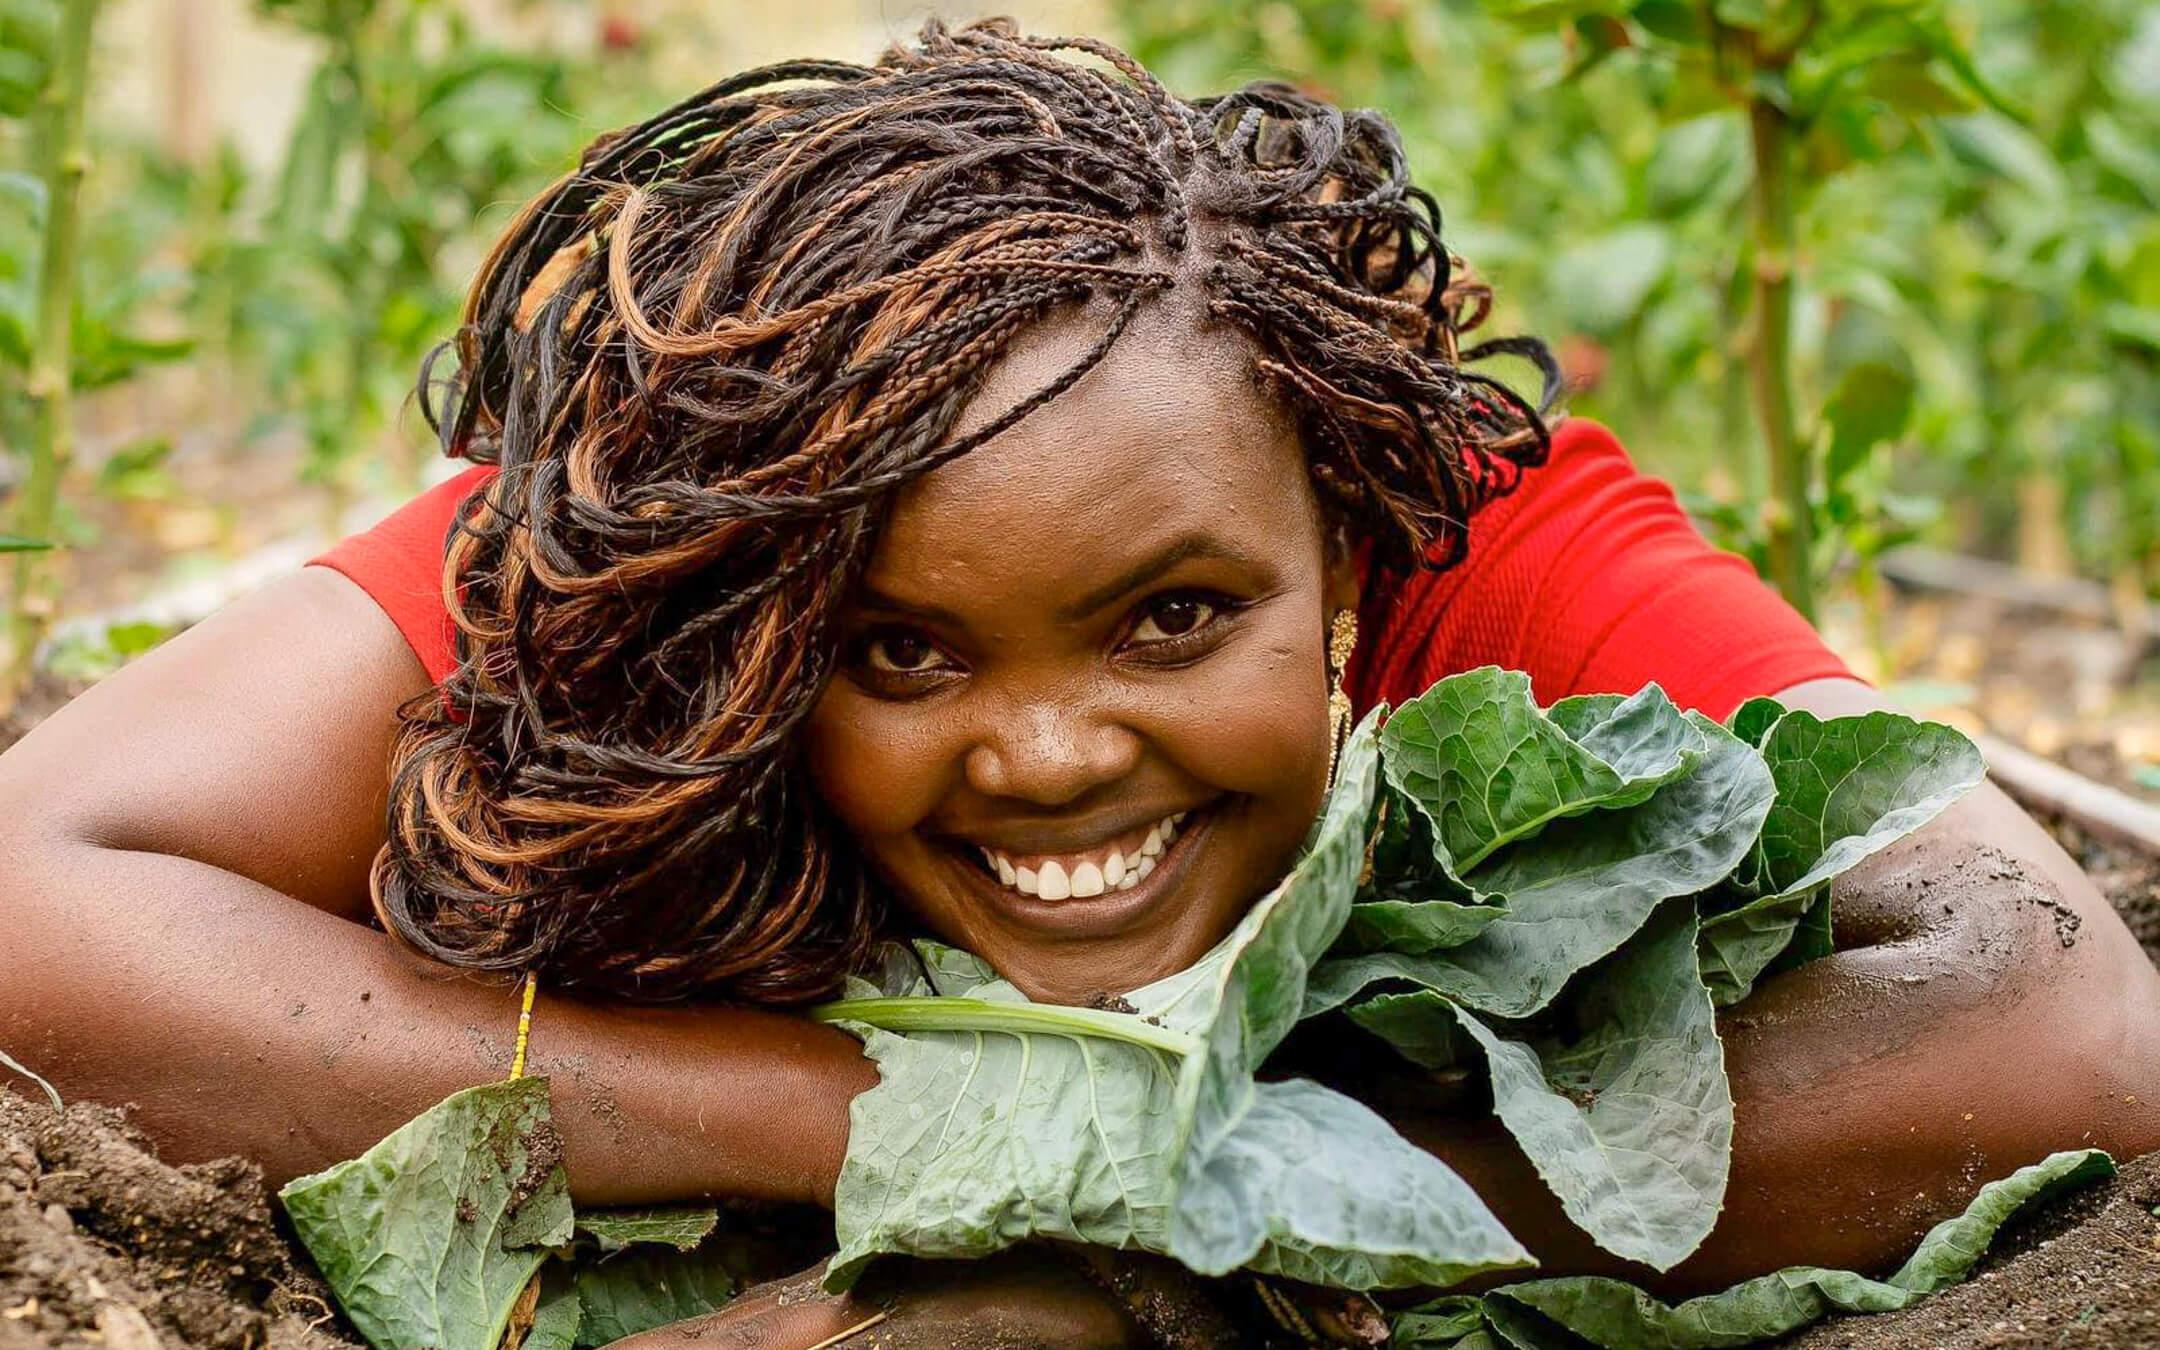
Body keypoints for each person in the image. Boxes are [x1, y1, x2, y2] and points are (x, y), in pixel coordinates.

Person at [1, 20, 2154, 1348]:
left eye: (1173, 620)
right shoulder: (655, 547)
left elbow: (2054, 1003)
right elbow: (40, 891)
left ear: (1344, 553)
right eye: (901, 647)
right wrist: (926, 1127)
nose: (1046, 750)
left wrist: (1129, 1263)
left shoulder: (1473, 528)